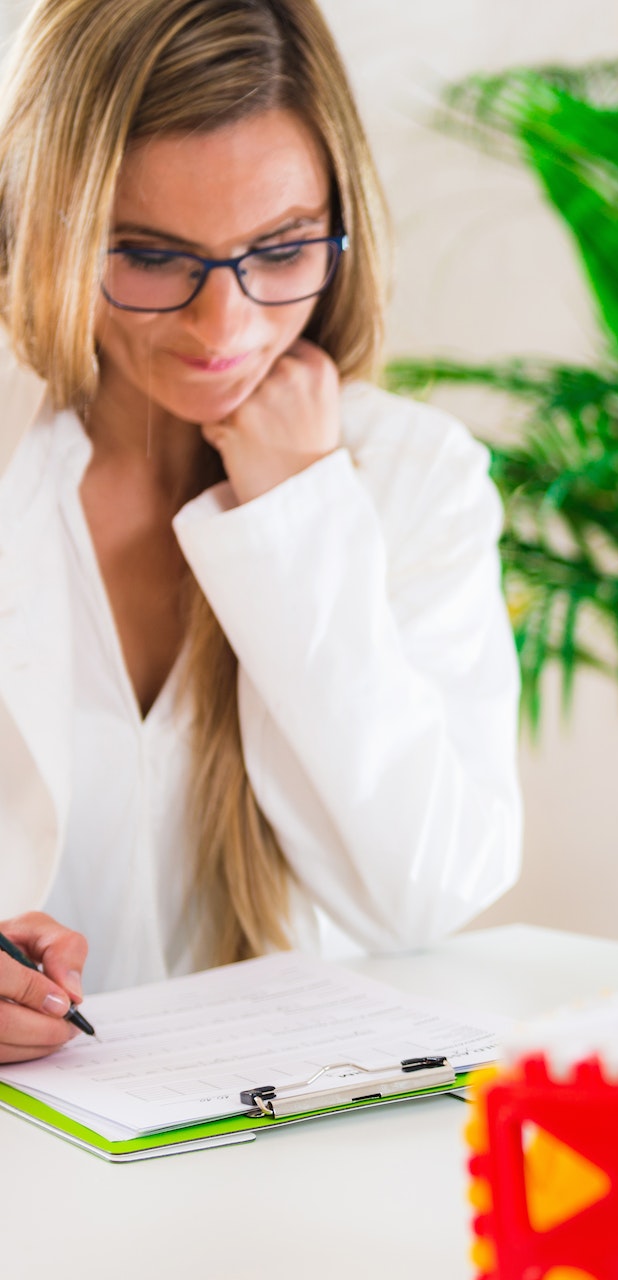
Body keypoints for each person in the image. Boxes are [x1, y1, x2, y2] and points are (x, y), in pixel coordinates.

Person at [0, 0, 522, 1063]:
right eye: (150, 257)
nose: (223, 328)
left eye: (280, 249)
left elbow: (421, 894)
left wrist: (297, 512)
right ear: (50, 224)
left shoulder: (412, 477)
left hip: (280, 1152)